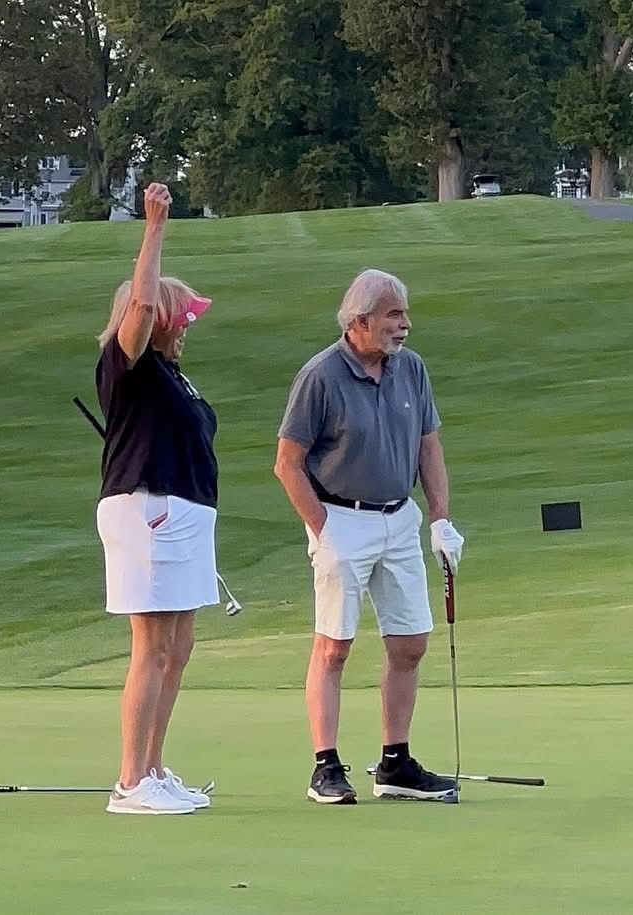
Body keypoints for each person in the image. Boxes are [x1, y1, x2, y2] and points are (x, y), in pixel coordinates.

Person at [273, 268, 466, 805]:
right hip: (341, 519)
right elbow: (287, 465)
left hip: (399, 518)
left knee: (410, 642)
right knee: (334, 646)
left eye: (404, 313)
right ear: (359, 322)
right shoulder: (321, 376)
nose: (405, 325)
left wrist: (440, 517)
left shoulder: (412, 370)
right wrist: (322, 528)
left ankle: (395, 762)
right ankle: (326, 766)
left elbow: (429, 446)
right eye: (394, 316)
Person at [94, 182, 221, 815]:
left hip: (186, 512)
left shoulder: (172, 373)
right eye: (182, 315)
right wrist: (154, 227)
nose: (188, 325)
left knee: (180, 644)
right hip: (149, 507)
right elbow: (141, 306)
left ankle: (154, 767)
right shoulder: (130, 363)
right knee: (152, 645)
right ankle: (130, 782)